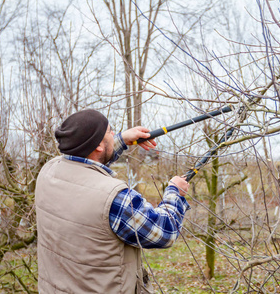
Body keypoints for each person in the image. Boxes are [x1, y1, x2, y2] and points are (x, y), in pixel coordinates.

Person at [35, 109, 190, 293]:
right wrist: (174, 192)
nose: (113, 134)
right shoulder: (116, 198)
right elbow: (165, 232)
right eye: (110, 131)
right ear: (99, 145)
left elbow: (87, 162)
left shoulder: (48, 171)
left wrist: (122, 139)